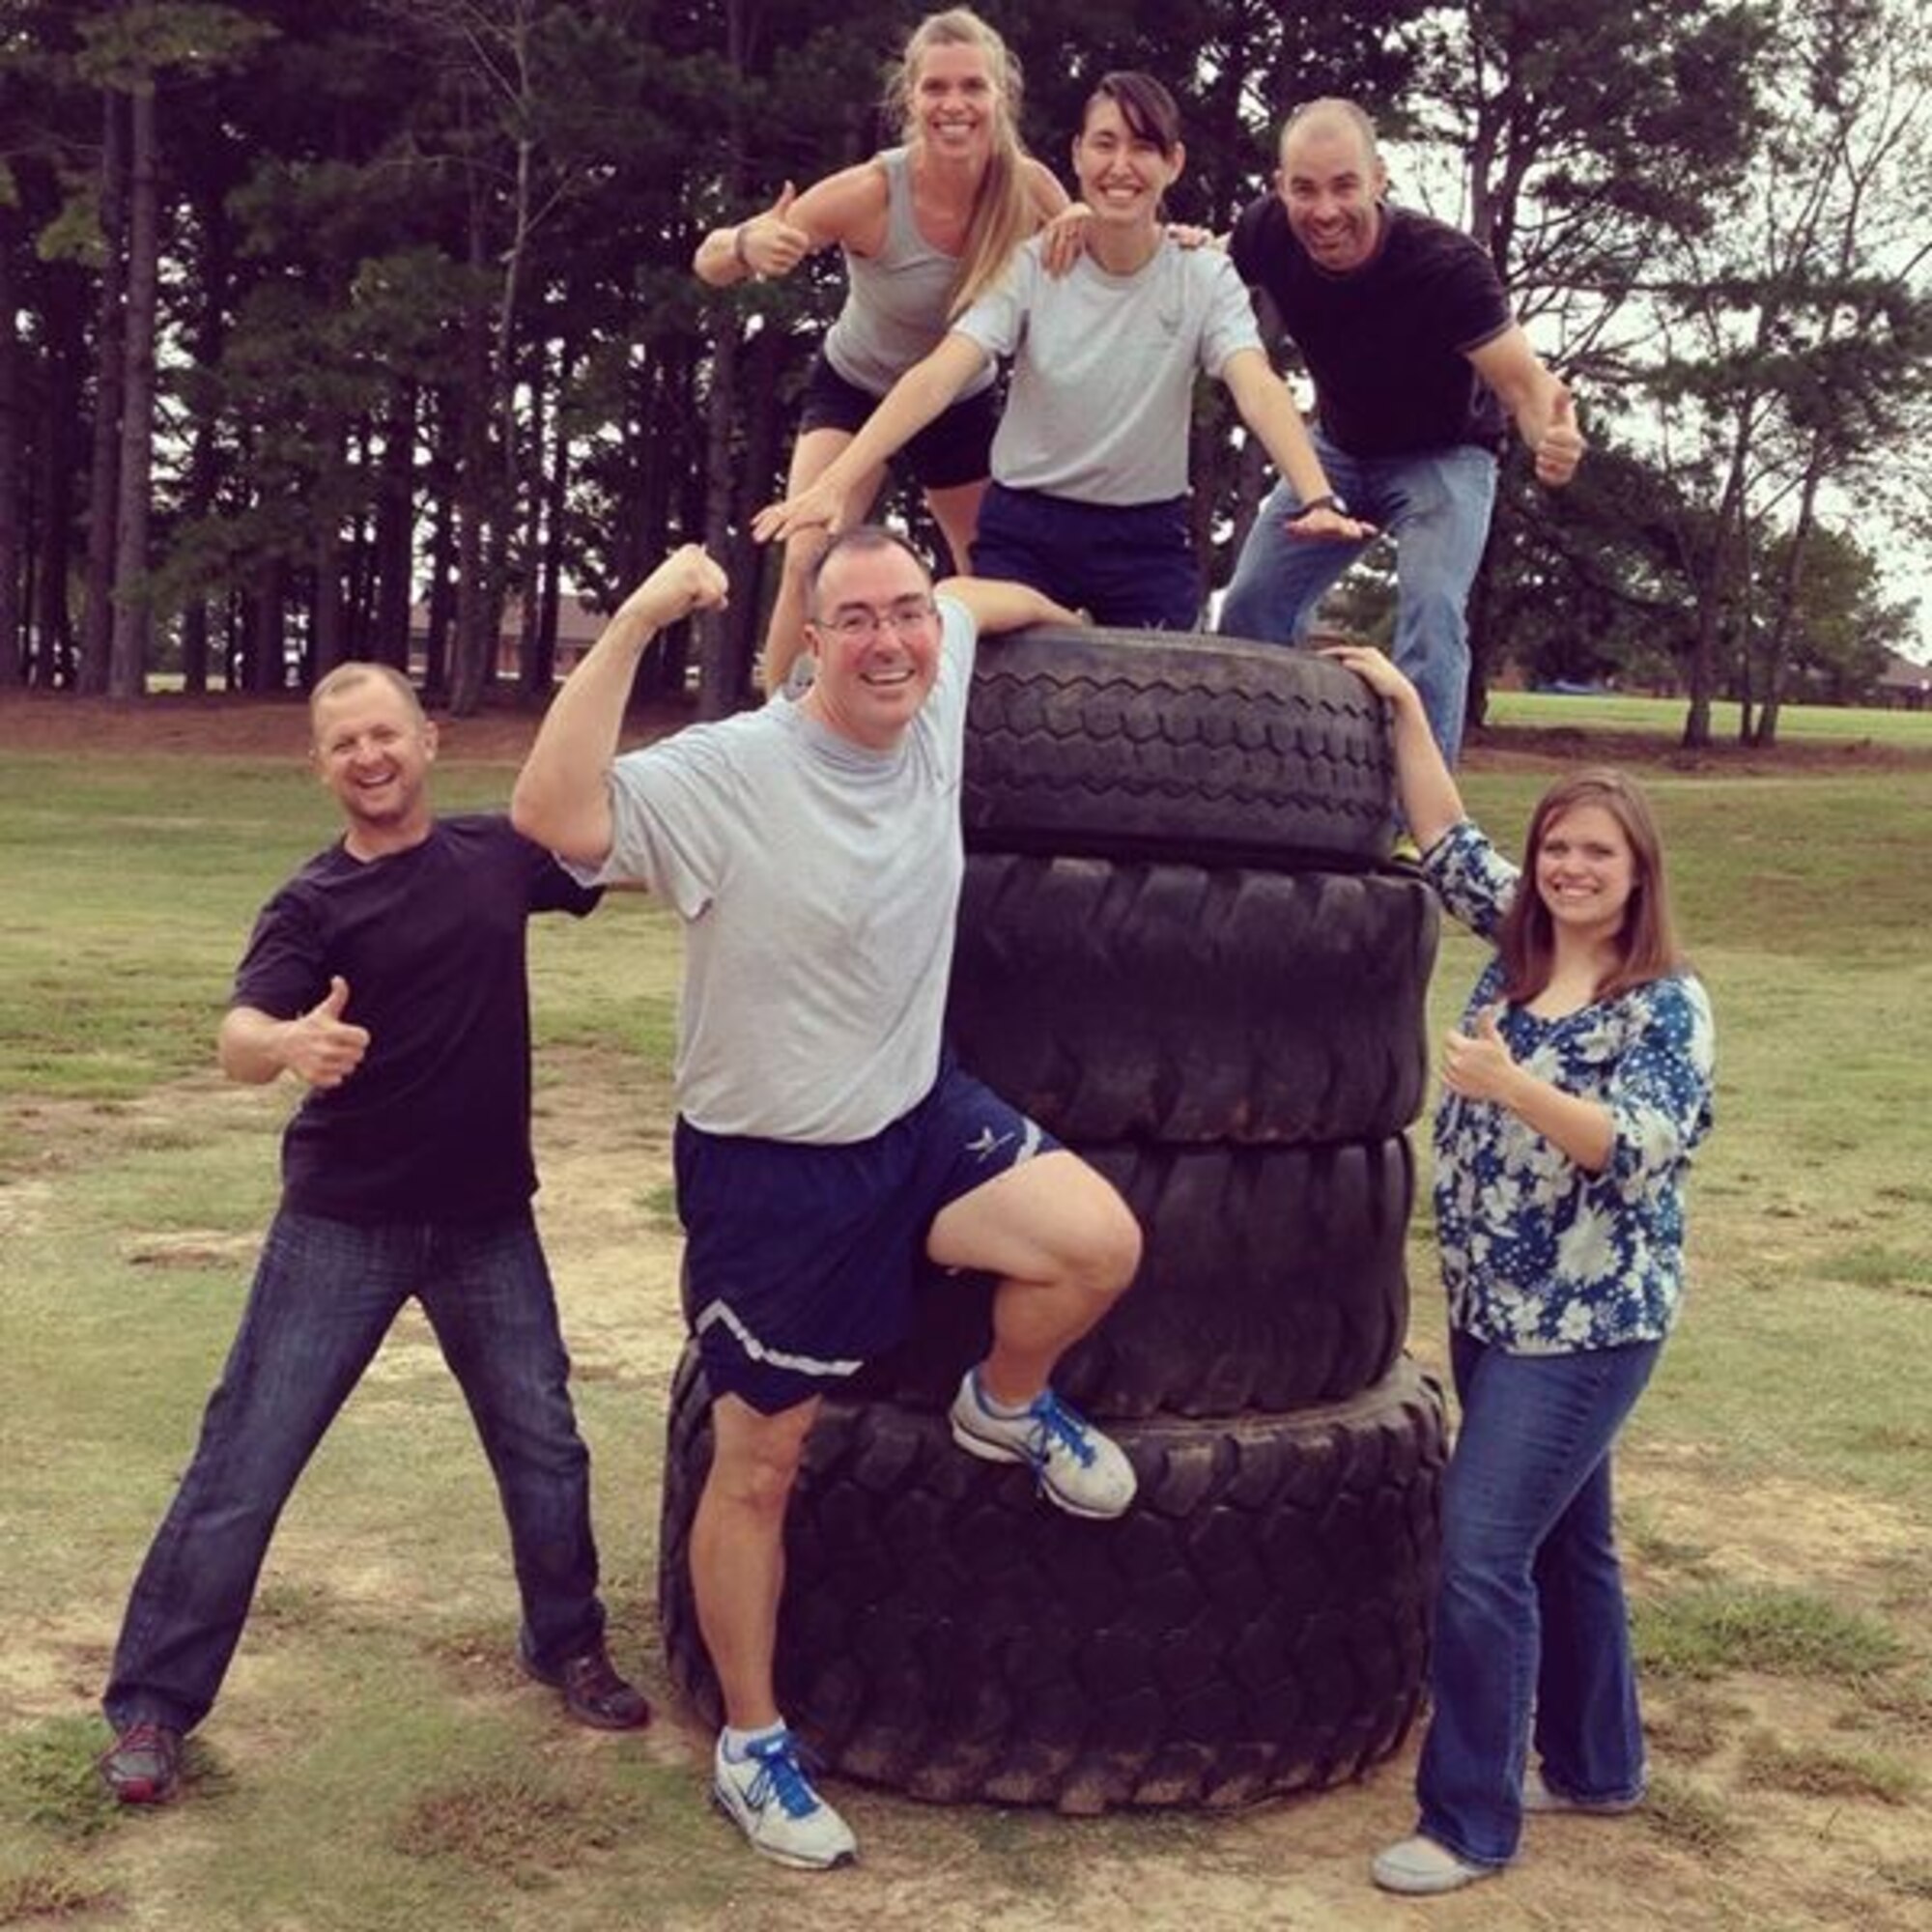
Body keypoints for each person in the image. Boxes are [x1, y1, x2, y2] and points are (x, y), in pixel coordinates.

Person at [511, 530, 1143, 1872]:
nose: (890, 642)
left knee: (1096, 1244)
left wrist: (1071, 611)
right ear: (811, 641)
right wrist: (635, 618)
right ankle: (753, 1743)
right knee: (761, 1468)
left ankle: (1007, 1403)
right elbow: (553, 820)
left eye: (902, 615)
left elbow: (981, 598)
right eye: (854, 620)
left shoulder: (938, 674)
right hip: (774, 1172)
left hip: (917, 1115)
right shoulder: (735, 771)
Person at [97, 663, 646, 1806]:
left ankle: (565, 1639)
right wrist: (289, 1044)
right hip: (342, 1224)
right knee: (245, 1460)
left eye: (384, 732)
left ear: (427, 739)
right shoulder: (311, 906)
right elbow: (238, 1035)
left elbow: (617, 836)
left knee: (543, 1442)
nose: (369, 755)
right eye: (343, 742)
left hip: (489, 1220)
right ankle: (152, 1706)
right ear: (320, 766)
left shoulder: (501, 854)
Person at [1325, 644, 1715, 1897]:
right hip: (1496, 1311)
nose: (1570, 868)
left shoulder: (1664, 1005)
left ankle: (1469, 1821)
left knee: (1481, 1550)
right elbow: (1443, 836)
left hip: (1590, 1325)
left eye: (1598, 854)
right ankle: (1597, 1764)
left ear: (1638, 871)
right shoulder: (1520, 937)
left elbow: (1644, 1150)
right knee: (1568, 1547)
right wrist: (1398, 701)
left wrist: (1512, 1087)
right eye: (1559, 848)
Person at [754, 72, 1373, 630]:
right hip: (1026, 527)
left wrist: (1316, 495)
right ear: (1078, 156)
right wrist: (835, 483)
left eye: (1143, 147)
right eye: (1105, 144)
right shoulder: (1033, 266)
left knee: (1165, 714)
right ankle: (1057, 624)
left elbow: (1258, 387)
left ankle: (1065, 631)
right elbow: (940, 375)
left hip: (1144, 536)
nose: (1121, 166)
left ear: (1174, 163)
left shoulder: (1204, 276)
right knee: (955, 610)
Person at [694, 7, 1069, 692]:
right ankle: (772, 736)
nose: (953, 105)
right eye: (935, 88)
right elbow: (709, 260)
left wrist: (1189, 247)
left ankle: (985, 728)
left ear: (1000, 97)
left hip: (958, 400)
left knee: (988, 570)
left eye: (972, 88)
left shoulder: (1030, 189)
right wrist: (747, 244)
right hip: (856, 388)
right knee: (807, 553)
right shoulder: (869, 192)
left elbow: (1110, 253)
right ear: (910, 98)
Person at [1219, 100, 1587, 765]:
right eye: (1304, 188)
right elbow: (1198, 280)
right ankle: (1265, 785)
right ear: (1280, 187)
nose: (1325, 210)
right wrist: (1167, 246)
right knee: (1249, 606)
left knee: (1432, 613)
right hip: (1339, 451)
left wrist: (1552, 438)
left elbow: (1525, 387)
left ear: (1379, 179)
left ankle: (1425, 826)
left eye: (1344, 186)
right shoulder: (1265, 232)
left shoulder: (1447, 266)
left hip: (1444, 457)